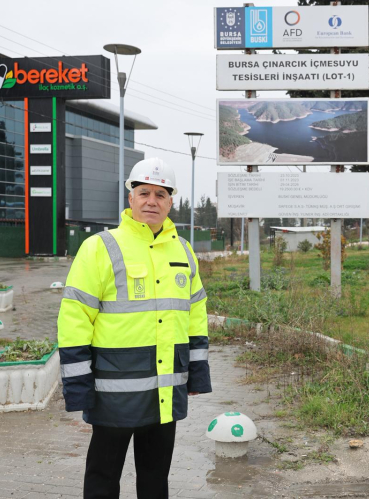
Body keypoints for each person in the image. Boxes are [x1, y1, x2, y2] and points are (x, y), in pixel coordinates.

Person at [57, 157, 211, 498]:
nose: (151, 201)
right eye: (144, 193)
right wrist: (77, 385)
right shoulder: (100, 247)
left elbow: (196, 313)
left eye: (160, 194)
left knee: (155, 479)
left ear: (170, 202)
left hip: (164, 392)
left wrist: (198, 373)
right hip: (113, 394)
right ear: (131, 198)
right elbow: (74, 318)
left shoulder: (184, 251)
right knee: (103, 477)